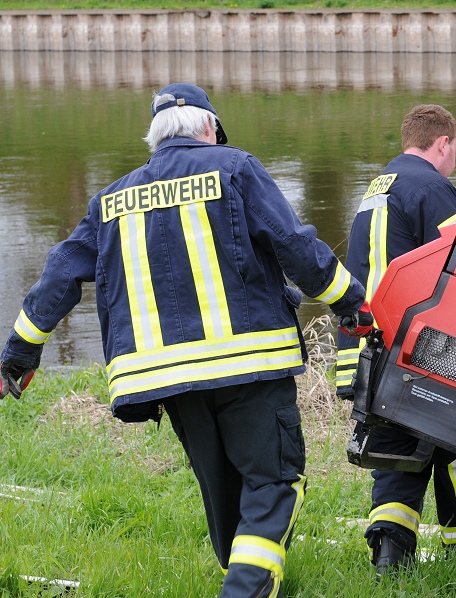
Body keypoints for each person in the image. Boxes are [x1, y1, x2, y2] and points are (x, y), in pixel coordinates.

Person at [0, 82, 372, 598]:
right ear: (210, 129)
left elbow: (60, 273)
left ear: (154, 137)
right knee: (273, 481)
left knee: (222, 485)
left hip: (166, 377)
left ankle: (241, 575)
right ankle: (243, 589)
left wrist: (18, 356)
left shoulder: (111, 199)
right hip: (248, 363)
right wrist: (351, 304)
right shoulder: (235, 168)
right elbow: (294, 245)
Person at [336, 103, 456, 578]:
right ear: (443, 143)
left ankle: (389, 550)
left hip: (372, 346)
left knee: (398, 447)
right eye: (455, 150)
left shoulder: (376, 188)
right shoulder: (434, 189)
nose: (455, 159)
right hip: (418, 347)